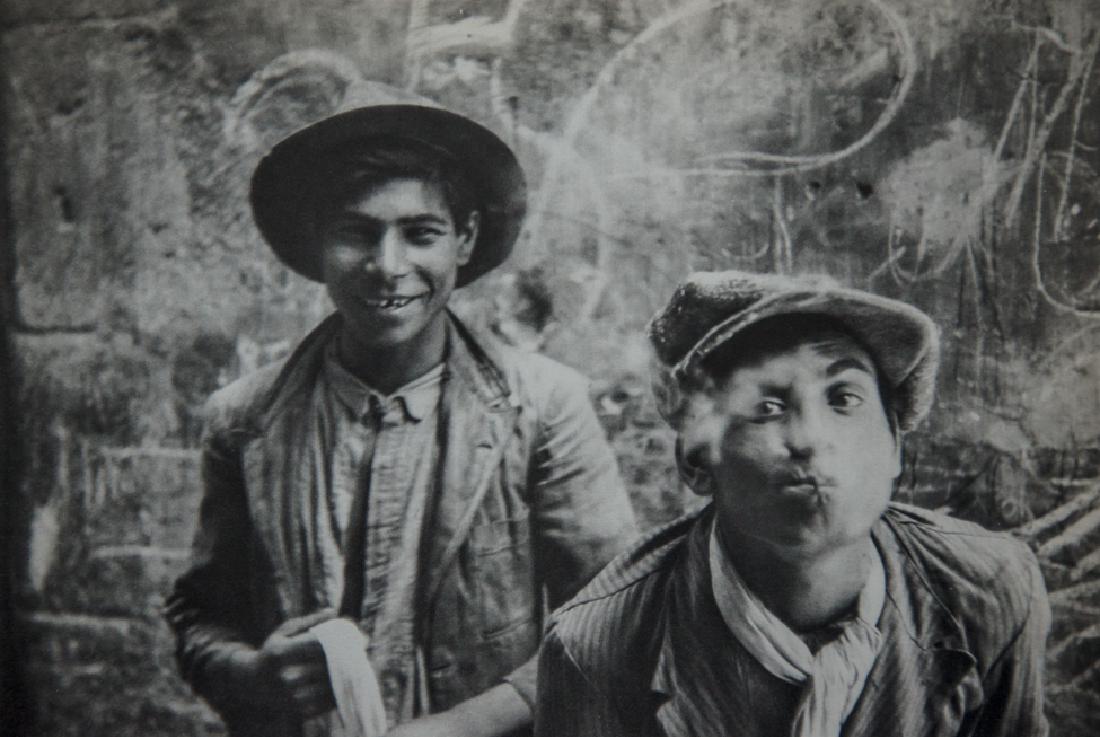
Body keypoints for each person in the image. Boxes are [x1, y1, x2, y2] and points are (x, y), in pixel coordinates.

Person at [164, 104, 636, 737]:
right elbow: (200, 616)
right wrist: (253, 676)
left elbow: (619, 620)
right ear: (316, 239)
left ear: (464, 238)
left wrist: (465, 725)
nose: (388, 265)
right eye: (356, 233)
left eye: (420, 233)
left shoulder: (544, 408)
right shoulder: (244, 421)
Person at [535, 270, 1050, 737]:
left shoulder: (990, 589)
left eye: (844, 398)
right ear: (696, 461)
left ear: (894, 443)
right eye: (767, 406)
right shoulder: (596, 646)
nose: (810, 438)